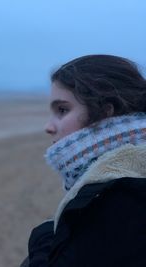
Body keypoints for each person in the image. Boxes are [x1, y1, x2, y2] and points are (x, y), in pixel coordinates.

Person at [20, 55, 146, 267]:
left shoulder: (120, 200)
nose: (48, 127)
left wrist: (45, 236)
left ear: (105, 112)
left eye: (62, 110)